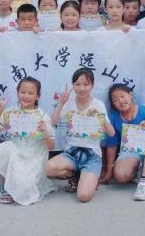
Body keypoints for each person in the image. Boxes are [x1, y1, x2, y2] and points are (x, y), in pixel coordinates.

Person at [46, 69, 116, 203]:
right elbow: (52, 122)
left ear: (92, 85)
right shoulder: (69, 103)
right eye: (77, 84)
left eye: (86, 84)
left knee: (83, 196)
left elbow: (111, 133)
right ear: (73, 85)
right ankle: (74, 174)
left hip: (92, 155)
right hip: (71, 152)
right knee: (48, 168)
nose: (81, 88)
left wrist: (100, 118)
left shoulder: (98, 105)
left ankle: (87, 177)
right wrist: (61, 103)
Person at [0, 77, 56, 205]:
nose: (26, 96)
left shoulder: (42, 116)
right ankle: (5, 188)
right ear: (17, 92)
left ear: (38, 96)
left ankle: (21, 183)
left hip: (34, 156)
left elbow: (51, 146)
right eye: (23, 92)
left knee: (26, 189)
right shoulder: (10, 113)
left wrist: (45, 133)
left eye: (31, 93)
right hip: (14, 153)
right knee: (4, 146)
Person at [102, 83, 145, 201]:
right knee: (120, 175)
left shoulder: (144, 111)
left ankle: (144, 183)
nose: (120, 101)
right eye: (115, 100)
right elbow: (112, 145)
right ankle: (140, 171)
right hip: (130, 150)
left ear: (130, 95)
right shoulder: (113, 117)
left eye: (122, 96)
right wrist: (109, 170)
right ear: (113, 105)